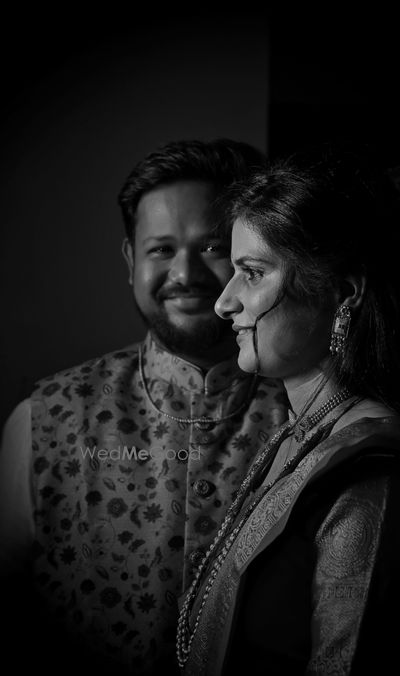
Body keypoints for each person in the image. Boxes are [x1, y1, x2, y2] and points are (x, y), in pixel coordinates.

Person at [0, 139, 289, 675]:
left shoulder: (313, 415)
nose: (184, 273)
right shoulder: (42, 419)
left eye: (212, 247)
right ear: (131, 259)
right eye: (160, 249)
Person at [176, 147, 400, 675]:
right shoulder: (300, 433)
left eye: (253, 273)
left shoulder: (372, 477)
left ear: (342, 293)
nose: (224, 302)